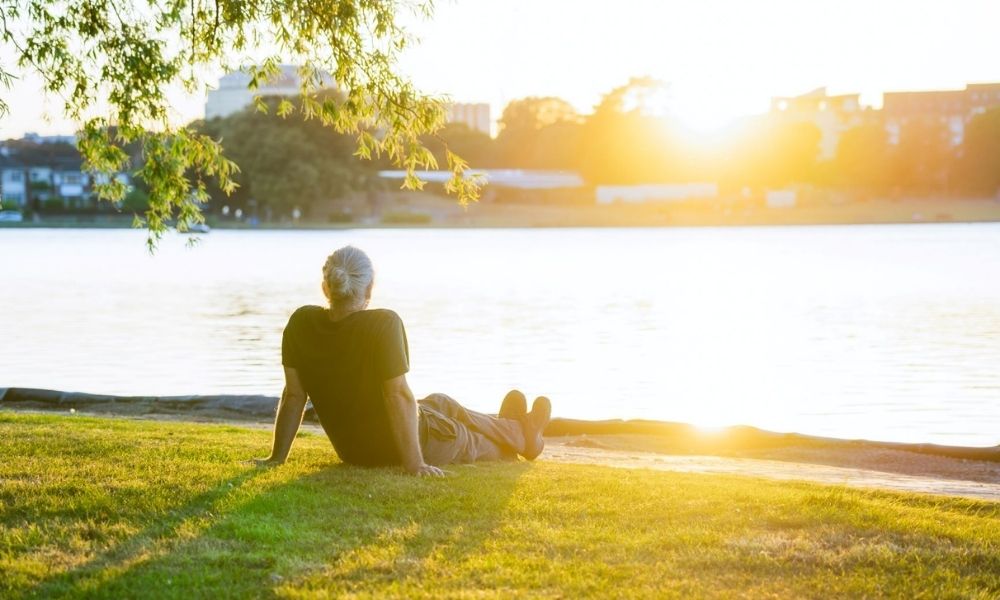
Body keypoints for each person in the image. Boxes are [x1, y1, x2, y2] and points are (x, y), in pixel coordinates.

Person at [254, 245, 552, 476]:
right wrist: (415, 464)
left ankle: (515, 426)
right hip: (398, 448)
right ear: (369, 290)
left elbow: (294, 396)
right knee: (466, 438)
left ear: (326, 288)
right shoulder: (383, 323)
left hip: (353, 451)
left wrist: (276, 458)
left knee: (441, 402)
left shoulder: (301, 322)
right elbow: (396, 394)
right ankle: (524, 438)